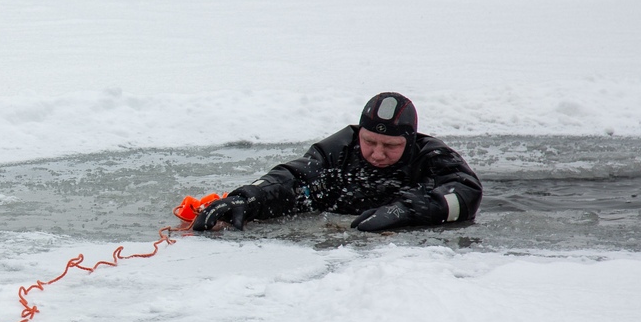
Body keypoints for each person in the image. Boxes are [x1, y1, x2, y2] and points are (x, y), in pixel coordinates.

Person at [191, 92, 482, 233]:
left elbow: (467, 193)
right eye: (369, 142)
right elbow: (291, 179)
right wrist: (245, 199)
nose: (378, 154)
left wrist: (405, 211)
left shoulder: (430, 156)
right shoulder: (338, 149)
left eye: (391, 146)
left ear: (410, 140)